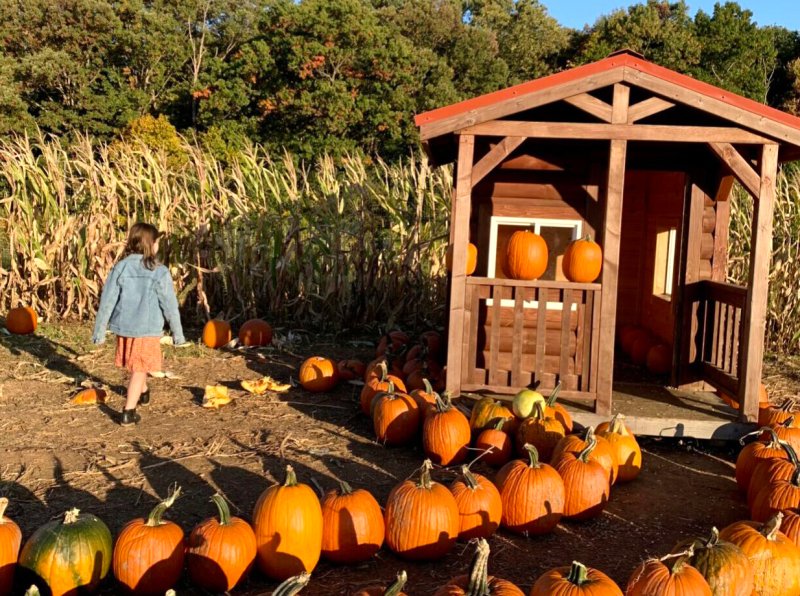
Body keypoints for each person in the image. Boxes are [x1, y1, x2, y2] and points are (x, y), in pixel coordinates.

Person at [92, 223, 185, 426]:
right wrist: (178, 334)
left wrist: (99, 331)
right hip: (147, 328)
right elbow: (169, 305)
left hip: (125, 327)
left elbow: (107, 300)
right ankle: (128, 412)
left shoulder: (121, 267)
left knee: (136, 365)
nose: (159, 246)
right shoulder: (159, 271)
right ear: (150, 244)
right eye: (157, 242)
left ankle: (142, 391)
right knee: (140, 368)